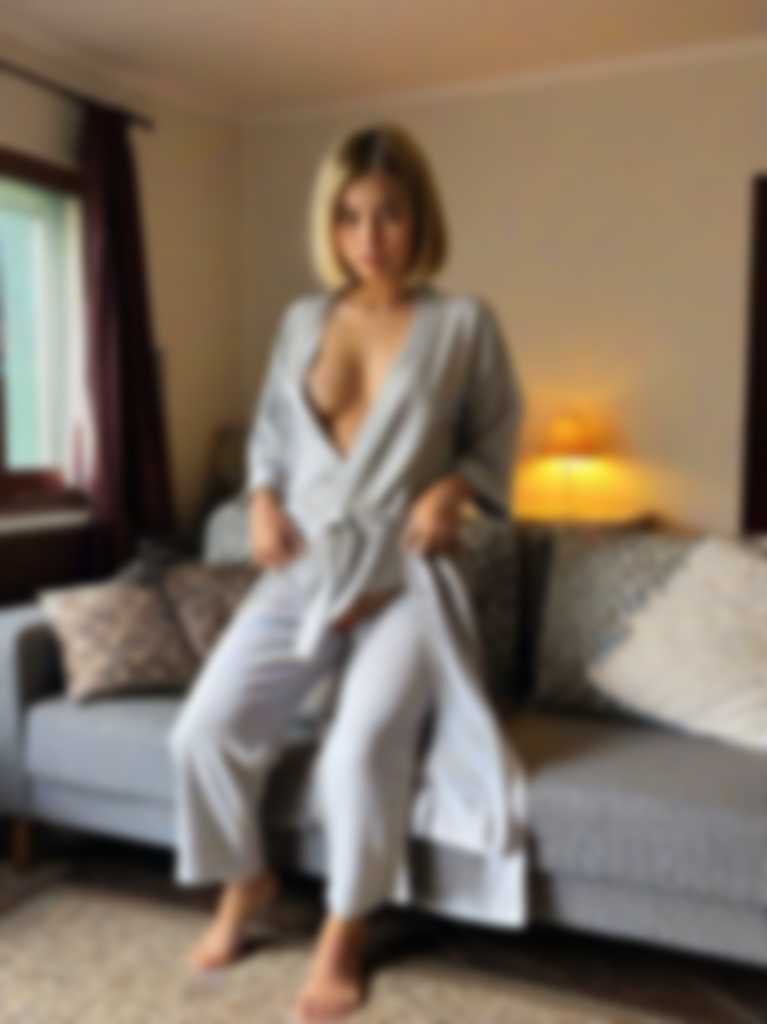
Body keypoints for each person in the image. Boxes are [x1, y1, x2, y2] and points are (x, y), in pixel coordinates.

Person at [167, 121, 527, 1023]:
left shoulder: (463, 324)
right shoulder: (302, 321)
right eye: (351, 216)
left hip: (408, 581)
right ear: (330, 225)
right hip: (303, 569)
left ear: (421, 219)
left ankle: (342, 930)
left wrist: (452, 487)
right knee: (202, 732)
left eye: (391, 214)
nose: (370, 237)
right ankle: (246, 880)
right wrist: (259, 499)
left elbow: (495, 441)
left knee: (360, 749)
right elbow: (270, 438)